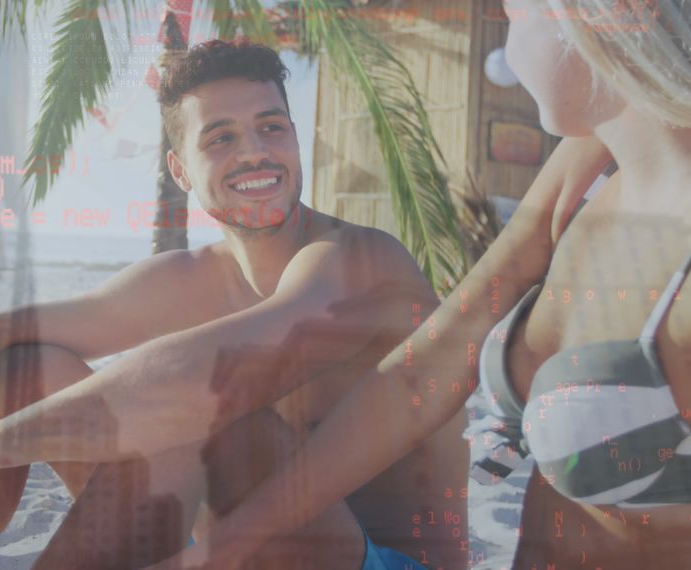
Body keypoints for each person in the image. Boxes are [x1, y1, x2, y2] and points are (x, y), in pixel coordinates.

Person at [125, 1, 691, 568]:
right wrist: (219, 551)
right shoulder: (586, 163)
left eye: (514, 12)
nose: (503, 31)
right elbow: (427, 367)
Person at [0, 39, 472, 569]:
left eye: (272, 127)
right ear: (179, 169)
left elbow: (211, 379)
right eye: (220, 138)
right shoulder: (187, 279)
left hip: (384, 561)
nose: (256, 153)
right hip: (228, 549)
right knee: (23, 368)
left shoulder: (358, 260)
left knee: (217, 423)